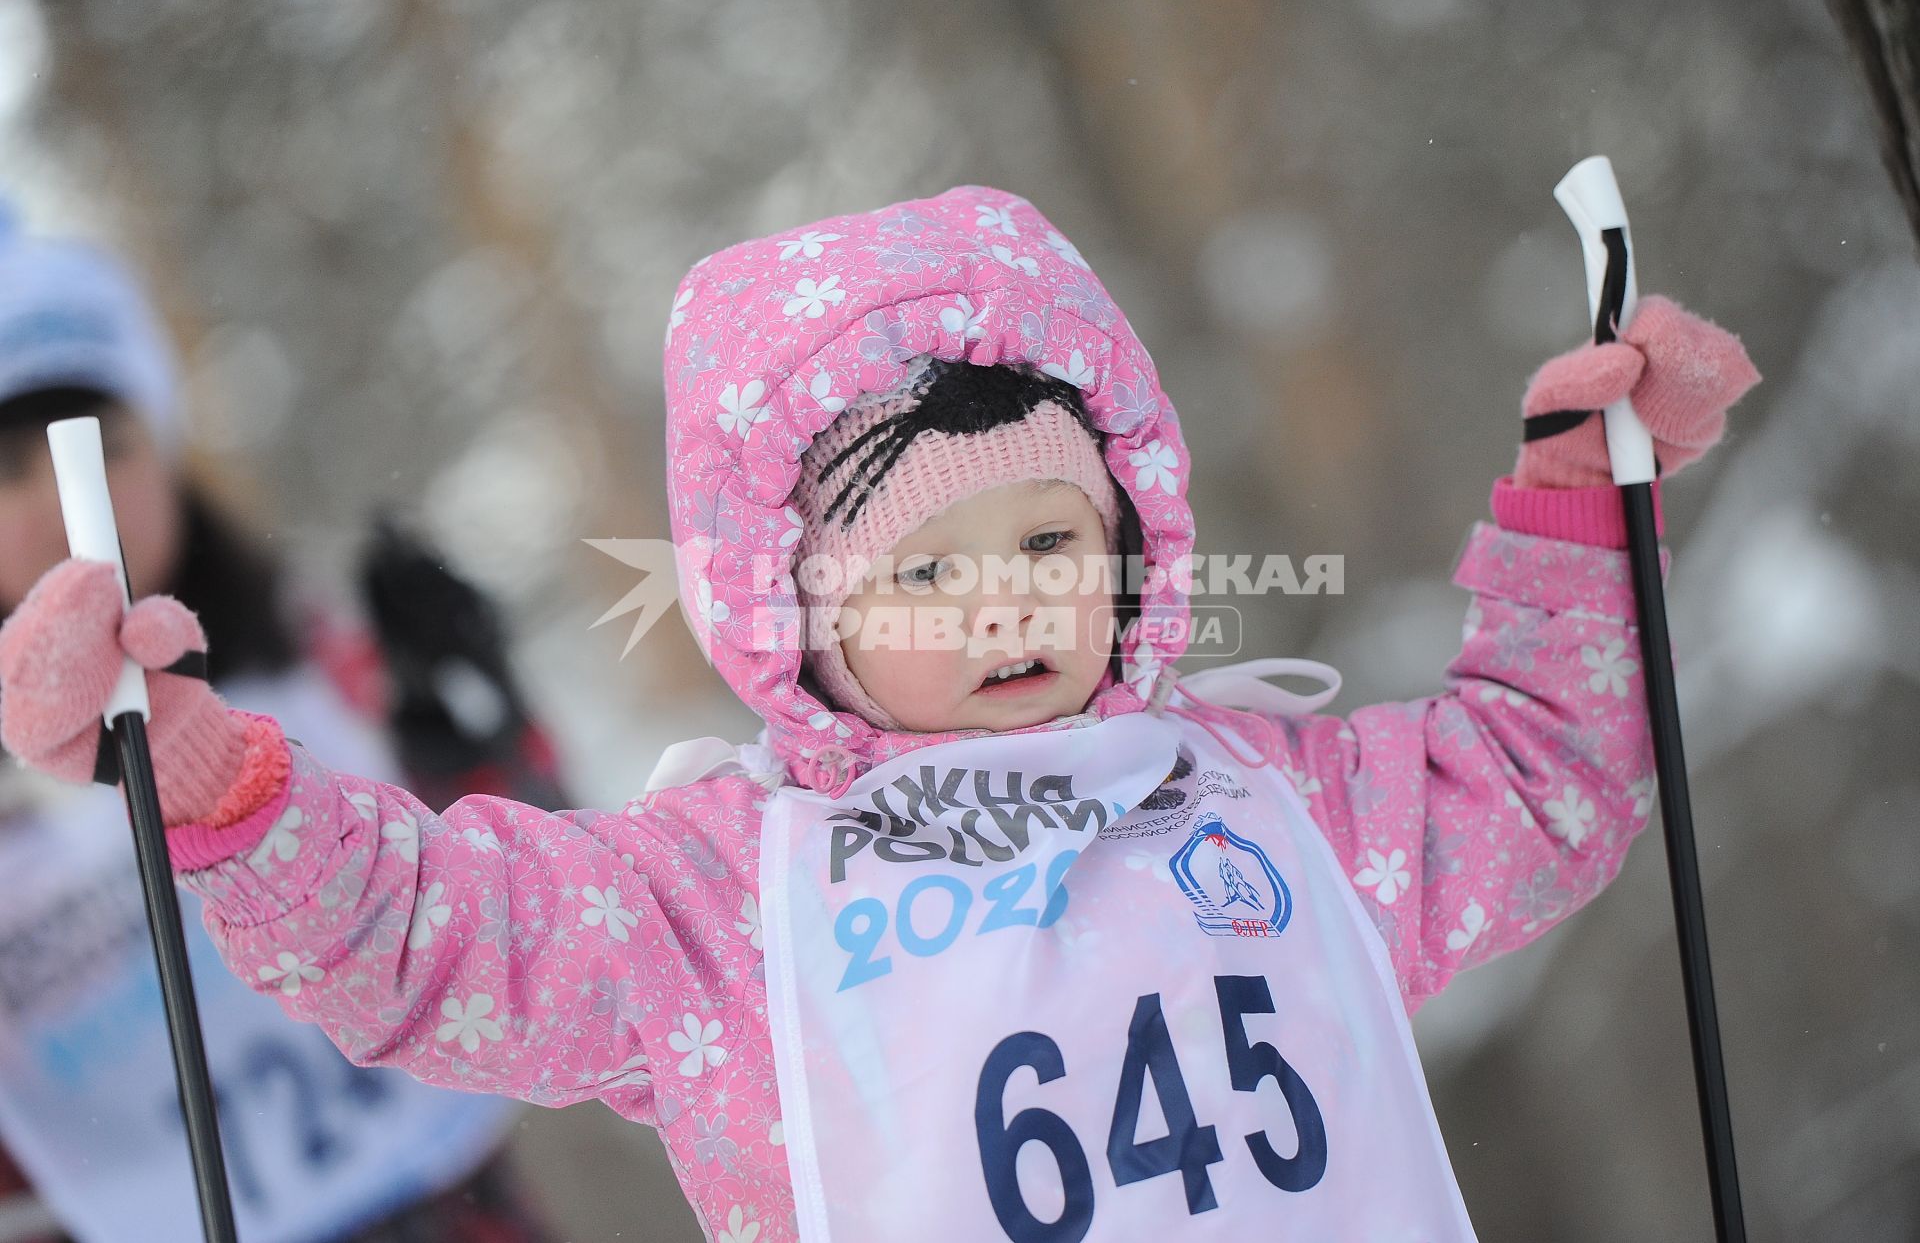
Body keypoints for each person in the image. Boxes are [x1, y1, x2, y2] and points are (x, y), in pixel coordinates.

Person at [0, 186, 1760, 1241]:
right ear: (797, 617)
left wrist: (1582, 509)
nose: (1010, 600)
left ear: (1136, 536)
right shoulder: (727, 910)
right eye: (921, 574)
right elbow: (440, 941)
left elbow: (1540, 773)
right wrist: (225, 784)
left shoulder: (1279, 799)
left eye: (1054, 538)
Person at [0, 206, 560, 1243]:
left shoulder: (318, 653)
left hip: (449, 1202)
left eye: (100, 448)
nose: (64, 507)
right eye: (5, 469)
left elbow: (552, 923)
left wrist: (485, 751)